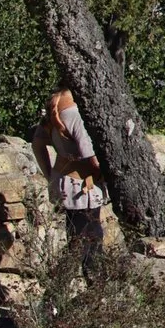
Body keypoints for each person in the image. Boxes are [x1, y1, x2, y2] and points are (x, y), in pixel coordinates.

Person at [32, 86, 106, 257]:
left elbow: (37, 144)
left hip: (64, 180)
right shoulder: (75, 111)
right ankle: (91, 281)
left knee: (75, 236)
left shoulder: (55, 106)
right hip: (82, 187)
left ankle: (67, 278)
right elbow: (90, 156)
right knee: (91, 240)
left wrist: (50, 176)